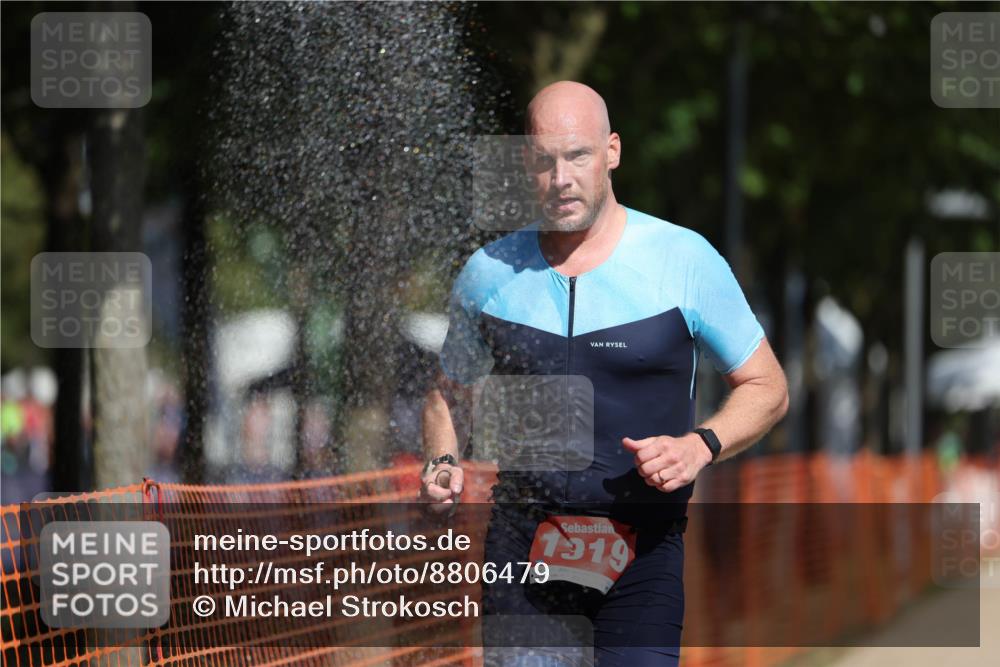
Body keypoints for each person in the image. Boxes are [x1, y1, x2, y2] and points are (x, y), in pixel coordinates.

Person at [420, 81, 789, 666]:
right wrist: (442, 460)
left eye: (578, 156)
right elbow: (448, 394)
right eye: (544, 161)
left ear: (612, 151)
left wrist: (702, 445)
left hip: (642, 551)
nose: (561, 177)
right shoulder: (488, 273)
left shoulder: (683, 259)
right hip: (524, 547)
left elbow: (767, 386)